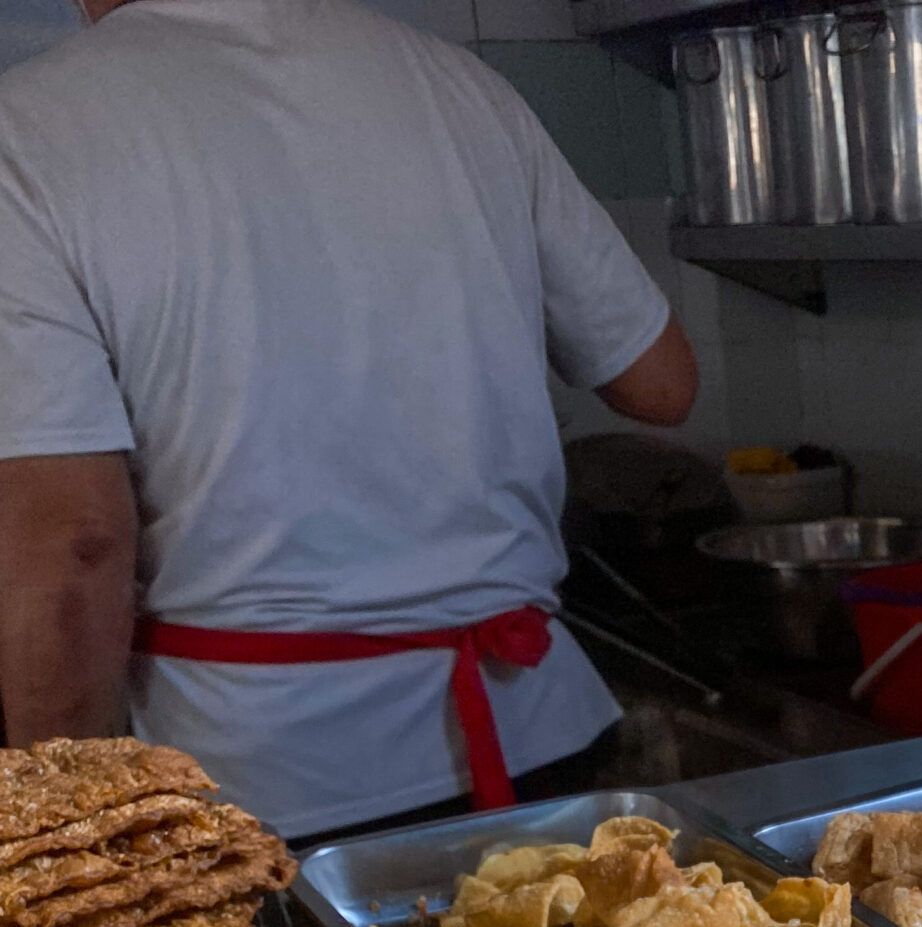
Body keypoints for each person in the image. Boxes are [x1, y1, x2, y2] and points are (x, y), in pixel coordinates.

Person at [0, 0, 697, 840]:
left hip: (261, 797)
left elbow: (75, 546)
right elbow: (661, 383)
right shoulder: (461, 83)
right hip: (536, 748)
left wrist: (59, 842)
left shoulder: (29, 130)